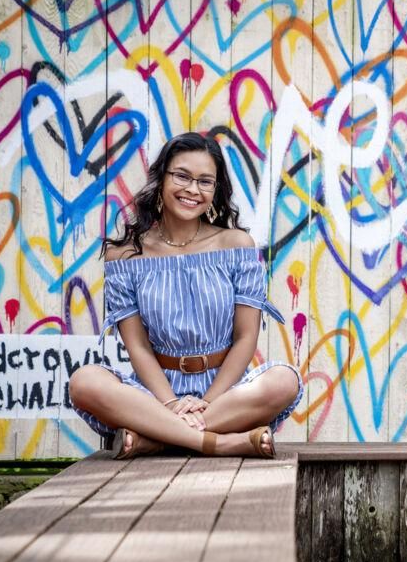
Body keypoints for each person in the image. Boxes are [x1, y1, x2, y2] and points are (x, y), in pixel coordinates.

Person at [69, 132, 303, 459]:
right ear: (161, 178)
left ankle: (157, 438)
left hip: (224, 391)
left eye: (205, 182)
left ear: (216, 191)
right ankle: (217, 442)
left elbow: (246, 337)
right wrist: (171, 403)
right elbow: (137, 345)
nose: (193, 190)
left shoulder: (236, 246)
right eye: (182, 176)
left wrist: (208, 402)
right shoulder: (126, 257)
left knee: (283, 381)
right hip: (152, 393)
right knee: (84, 382)